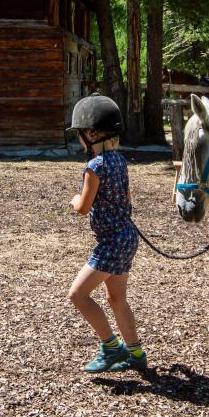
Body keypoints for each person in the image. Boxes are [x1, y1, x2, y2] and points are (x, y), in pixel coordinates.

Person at [68, 93, 147, 372]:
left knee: (77, 295)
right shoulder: (120, 161)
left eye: (80, 134)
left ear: (91, 134)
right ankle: (136, 354)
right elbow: (126, 196)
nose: (79, 140)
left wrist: (74, 200)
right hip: (126, 237)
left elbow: (83, 206)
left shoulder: (94, 166)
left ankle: (111, 347)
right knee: (117, 299)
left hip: (112, 242)